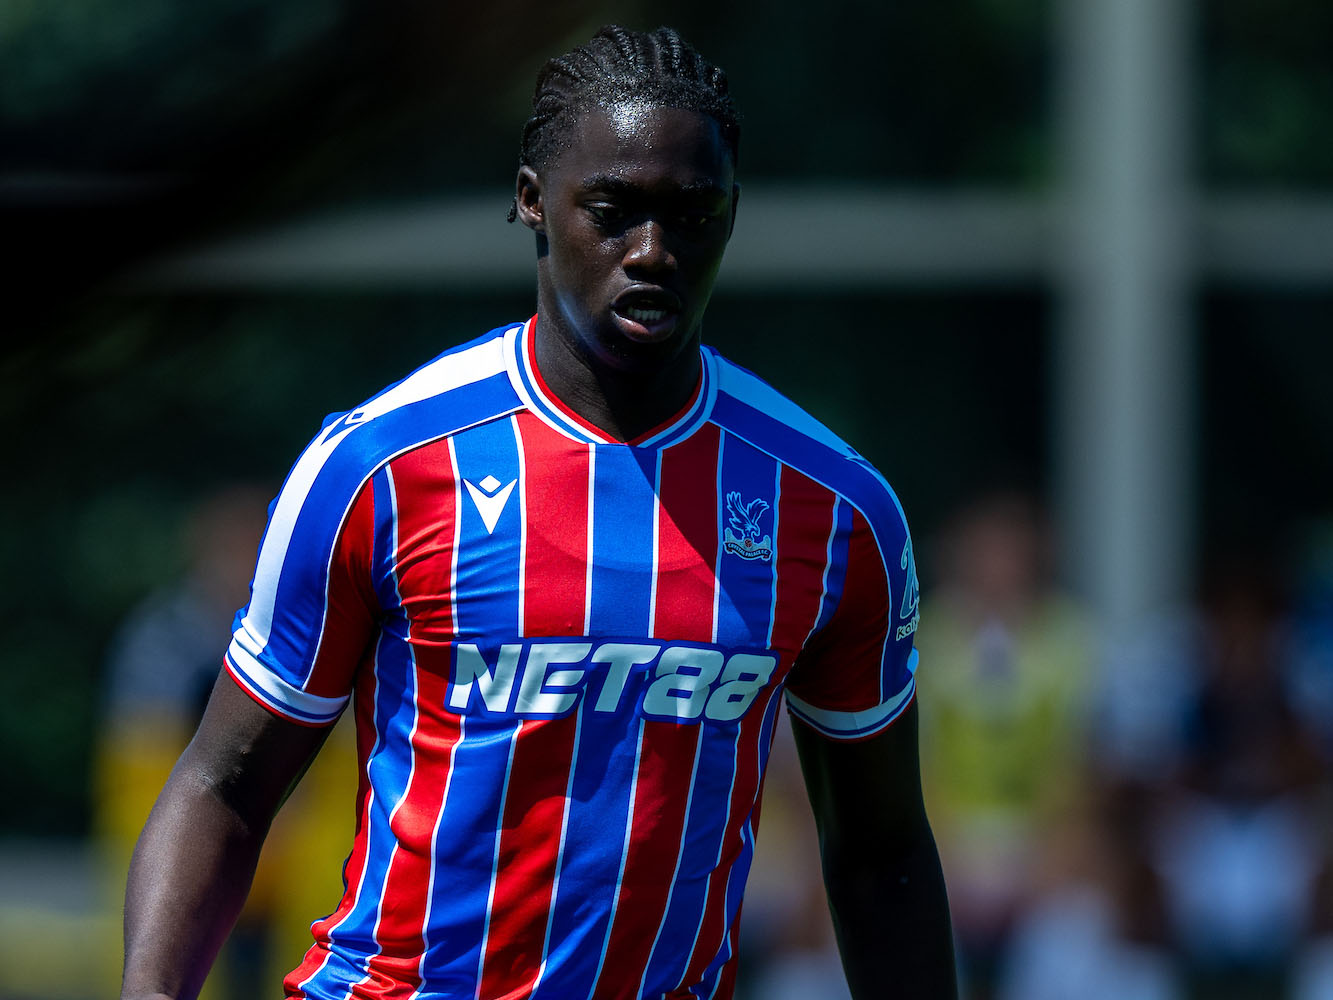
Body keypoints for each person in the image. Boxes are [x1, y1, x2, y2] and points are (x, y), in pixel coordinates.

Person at [121, 25, 956, 1000]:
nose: (653, 250)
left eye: (692, 214)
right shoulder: (382, 466)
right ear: (530, 200)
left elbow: (881, 851)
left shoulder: (833, 510)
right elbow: (223, 787)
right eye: (614, 209)